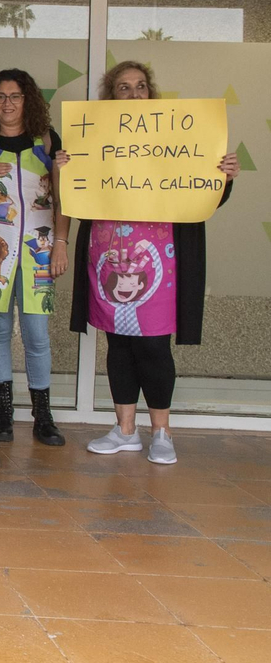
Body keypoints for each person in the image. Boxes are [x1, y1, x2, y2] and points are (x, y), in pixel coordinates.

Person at [68, 61, 238, 464]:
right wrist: (66, 168)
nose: (133, 94)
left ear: (151, 92)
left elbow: (205, 198)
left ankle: (161, 432)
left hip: (162, 261)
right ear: (112, 96)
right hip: (108, 256)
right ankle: (125, 430)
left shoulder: (178, 135)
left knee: (155, 347)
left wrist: (223, 178)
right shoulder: (95, 141)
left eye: (140, 86)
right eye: (123, 87)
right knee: (119, 344)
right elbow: (76, 196)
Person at [0, 68, 68, 447]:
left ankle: (43, 414)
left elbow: (63, 197)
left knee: (37, 336)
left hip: (39, 252)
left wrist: (61, 242)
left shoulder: (47, 141)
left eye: (15, 96)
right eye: (0, 96)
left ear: (28, 100)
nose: (7, 103)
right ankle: (4, 413)